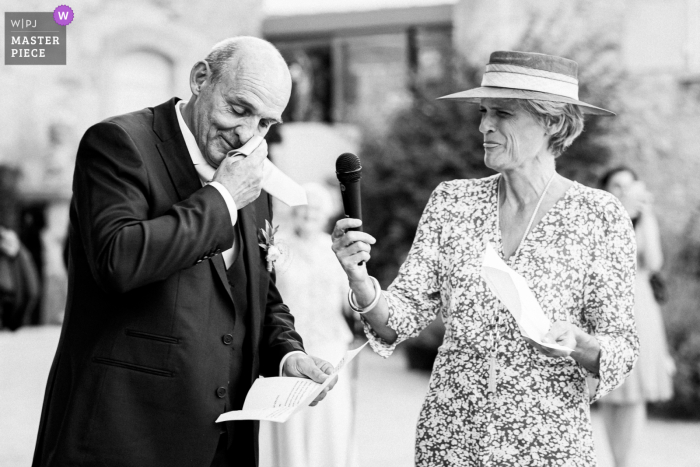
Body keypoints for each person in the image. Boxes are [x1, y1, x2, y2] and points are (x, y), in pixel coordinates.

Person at [32, 36, 336, 467]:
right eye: (238, 108)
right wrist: (223, 197)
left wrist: (288, 354)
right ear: (200, 79)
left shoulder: (255, 178)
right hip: (122, 438)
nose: (247, 134)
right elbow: (118, 260)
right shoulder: (118, 144)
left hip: (223, 444)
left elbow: (257, 295)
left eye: (266, 123)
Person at [332, 51, 639, 466]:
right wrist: (359, 278)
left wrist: (580, 343)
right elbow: (397, 321)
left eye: (503, 114)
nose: (484, 126)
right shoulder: (452, 203)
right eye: (483, 112)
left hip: (548, 444)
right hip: (450, 441)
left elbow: (622, 345)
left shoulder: (599, 216)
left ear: (552, 121)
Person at [261, 182, 359, 467]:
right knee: (291, 418)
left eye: (316, 208)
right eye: (304, 206)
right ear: (294, 210)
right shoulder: (277, 249)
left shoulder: (337, 249)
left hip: (330, 345)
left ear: (325, 213)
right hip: (289, 347)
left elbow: (350, 297)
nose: (309, 213)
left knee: (330, 420)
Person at [598, 166, 674, 467]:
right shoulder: (600, 218)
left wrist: (645, 216)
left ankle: (624, 462)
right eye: (616, 185)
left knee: (635, 389)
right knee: (610, 389)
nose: (623, 191)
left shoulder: (643, 219)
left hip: (639, 306)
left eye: (629, 186)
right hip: (605, 305)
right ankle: (618, 459)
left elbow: (654, 262)